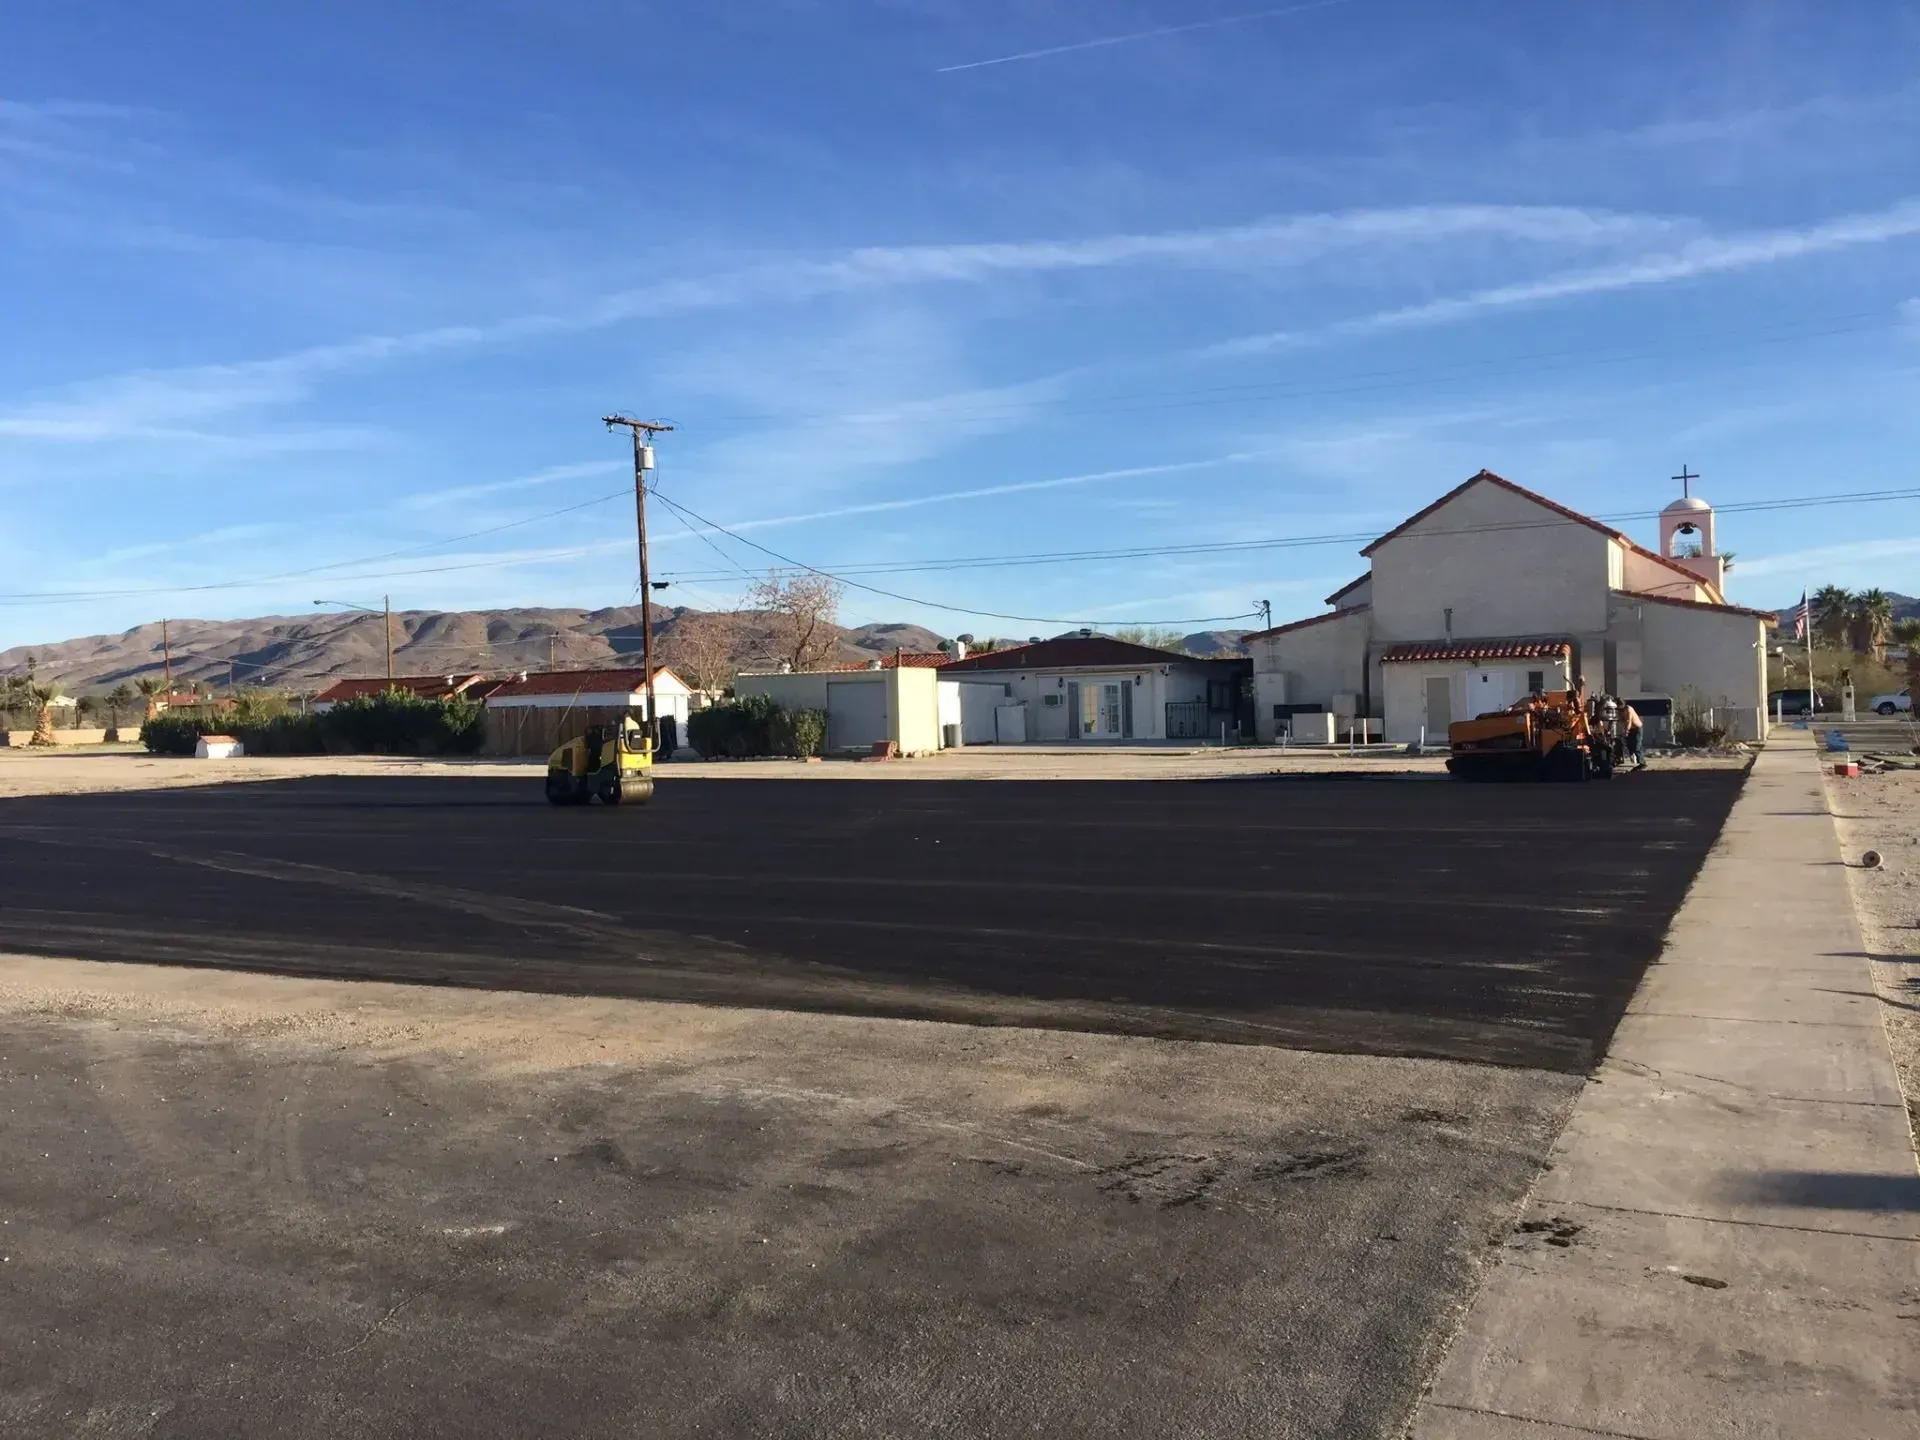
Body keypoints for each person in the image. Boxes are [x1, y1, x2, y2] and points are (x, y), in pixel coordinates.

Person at [1621, 700, 1645, 769]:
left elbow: (1629, 721)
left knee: (1637, 746)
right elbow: (1623, 721)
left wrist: (1626, 731)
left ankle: (1642, 763)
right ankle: (1635, 759)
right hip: (1631, 729)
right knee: (1629, 744)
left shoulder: (1629, 709)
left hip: (1637, 728)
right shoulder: (1622, 711)